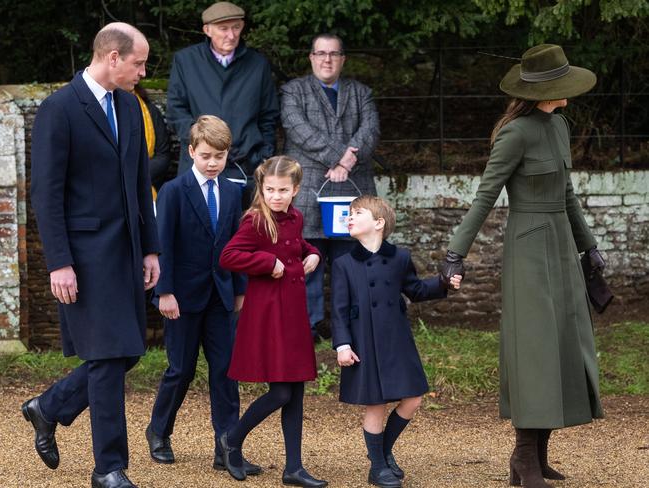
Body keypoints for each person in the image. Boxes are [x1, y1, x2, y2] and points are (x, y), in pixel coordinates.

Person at [440, 44, 604, 488]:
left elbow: (566, 194)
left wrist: (589, 246)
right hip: (528, 249)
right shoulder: (515, 134)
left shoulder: (560, 125)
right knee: (534, 352)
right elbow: (486, 195)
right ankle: (524, 458)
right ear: (543, 90)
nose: (569, 94)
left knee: (560, 347)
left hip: (561, 245)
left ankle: (537, 457)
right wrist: (457, 251)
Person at [25, 23, 160, 488]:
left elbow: (140, 183)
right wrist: (58, 261)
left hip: (126, 253)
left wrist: (151, 248)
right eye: (139, 62)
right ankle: (109, 468)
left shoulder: (129, 103)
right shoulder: (59, 110)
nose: (144, 71)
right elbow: (45, 193)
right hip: (83, 256)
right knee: (107, 358)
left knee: (128, 352)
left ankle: (49, 407)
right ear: (114, 57)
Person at [144, 115, 261, 476]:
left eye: (220, 157)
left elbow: (236, 246)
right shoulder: (174, 191)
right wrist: (164, 292)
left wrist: (240, 289)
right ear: (192, 151)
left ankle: (227, 446)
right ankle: (159, 431)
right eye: (206, 155)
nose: (213, 163)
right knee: (181, 370)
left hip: (221, 295)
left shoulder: (231, 191)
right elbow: (164, 246)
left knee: (226, 371)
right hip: (180, 297)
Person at [331, 196, 461, 488]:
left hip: (397, 339)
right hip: (363, 341)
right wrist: (342, 345)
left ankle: (383, 452)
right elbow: (338, 310)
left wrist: (442, 283)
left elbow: (415, 290)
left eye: (357, 213)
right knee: (375, 404)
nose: (349, 217)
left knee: (412, 398)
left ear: (378, 223)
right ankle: (378, 468)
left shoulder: (400, 257)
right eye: (349, 214)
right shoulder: (343, 263)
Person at [218, 156, 327, 487]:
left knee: (295, 391)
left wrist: (313, 253)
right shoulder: (254, 220)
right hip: (270, 313)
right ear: (261, 189)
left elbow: (297, 244)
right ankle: (231, 440)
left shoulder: (294, 216)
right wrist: (267, 262)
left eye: (283, 190)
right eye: (270, 190)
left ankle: (293, 467)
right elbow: (229, 256)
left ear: (295, 190)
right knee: (281, 392)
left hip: (293, 311)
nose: (276, 196)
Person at [281, 33, 380, 340]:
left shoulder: (361, 92)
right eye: (321, 53)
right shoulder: (293, 91)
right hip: (309, 189)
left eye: (334, 54)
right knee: (307, 262)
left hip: (353, 187)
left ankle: (348, 328)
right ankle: (305, 329)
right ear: (311, 57)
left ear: (343, 59)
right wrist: (341, 156)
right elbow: (297, 128)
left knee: (350, 263)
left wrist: (349, 162)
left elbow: (371, 129)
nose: (327, 59)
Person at [166, 1, 279, 207]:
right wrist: (203, 144)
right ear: (207, 30)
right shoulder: (186, 61)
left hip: (247, 166)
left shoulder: (258, 63)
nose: (231, 35)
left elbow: (268, 115)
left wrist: (262, 156)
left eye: (236, 27)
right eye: (223, 28)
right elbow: (176, 111)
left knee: (244, 233)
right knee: (197, 233)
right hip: (198, 165)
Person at [133, 84, 171, 192]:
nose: (142, 73)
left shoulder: (150, 109)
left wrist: (135, 175)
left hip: (146, 179)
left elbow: (163, 154)